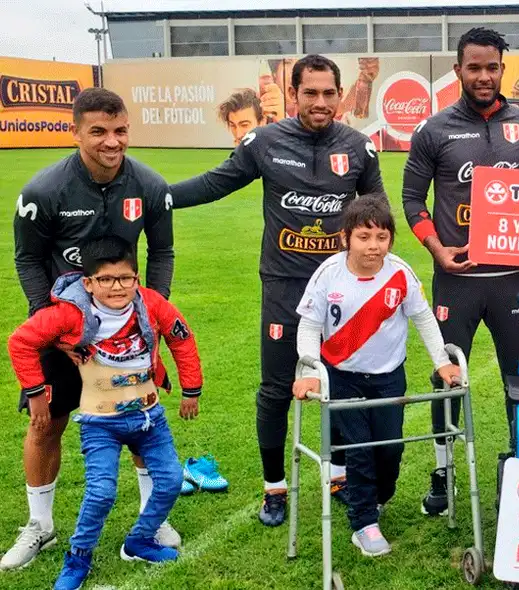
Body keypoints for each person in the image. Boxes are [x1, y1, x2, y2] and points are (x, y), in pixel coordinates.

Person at [169, 53, 386, 527]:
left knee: (344, 386)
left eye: (330, 93)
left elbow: (378, 212)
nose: (321, 102)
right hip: (284, 289)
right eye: (310, 92)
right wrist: (159, 197)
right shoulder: (264, 141)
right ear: (293, 95)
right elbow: (214, 183)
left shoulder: (357, 146)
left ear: (339, 93)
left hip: (342, 292)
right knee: (275, 390)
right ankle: (274, 489)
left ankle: (341, 476)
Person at [6, 87, 179, 569]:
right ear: (76, 131)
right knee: (47, 424)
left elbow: (161, 252)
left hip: (127, 331)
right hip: (64, 333)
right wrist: (53, 327)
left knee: (142, 419)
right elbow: (27, 259)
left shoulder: (150, 184)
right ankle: (40, 525)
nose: (111, 141)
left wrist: (153, 312)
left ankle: (152, 516)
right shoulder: (43, 191)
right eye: (98, 131)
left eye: (120, 130)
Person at [401, 27, 519, 516]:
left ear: (503, 69)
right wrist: (437, 248)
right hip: (455, 281)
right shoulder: (434, 129)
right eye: (474, 67)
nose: (484, 76)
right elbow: (411, 199)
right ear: (458, 70)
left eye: (492, 67)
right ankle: (443, 474)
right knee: (447, 377)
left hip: (510, 280)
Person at [7, 236, 204, 589]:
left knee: (172, 480)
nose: (117, 287)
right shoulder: (72, 313)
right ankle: (78, 558)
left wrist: (191, 389)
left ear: (137, 277)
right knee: (101, 492)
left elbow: (181, 337)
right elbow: (21, 341)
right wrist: (36, 394)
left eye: (125, 278)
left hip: (150, 419)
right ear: (89, 283)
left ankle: (140, 541)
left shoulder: (150, 303)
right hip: (101, 424)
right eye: (106, 279)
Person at [292, 197, 461, 556]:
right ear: (346, 238)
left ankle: (377, 498)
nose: (373, 246)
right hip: (342, 377)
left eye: (381, 237)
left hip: (388, 378)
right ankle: (364, 523)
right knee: (361, 450)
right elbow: (308, 326)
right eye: (364, 237)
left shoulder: (400, 273)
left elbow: (424, 319)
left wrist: (441, 361)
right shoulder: (327, 274)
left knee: (389, 449)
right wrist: (311, 372)